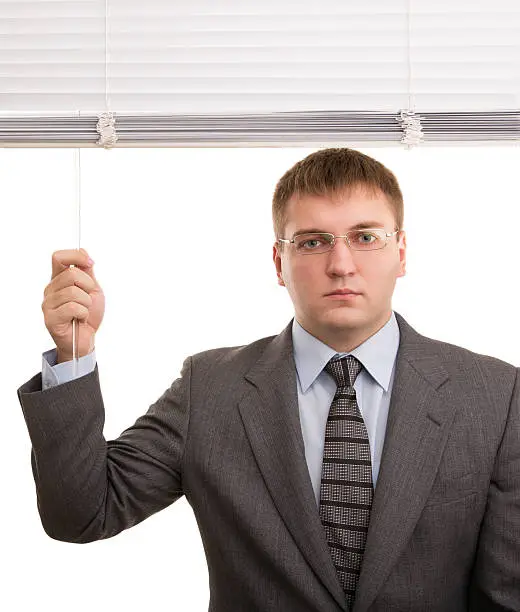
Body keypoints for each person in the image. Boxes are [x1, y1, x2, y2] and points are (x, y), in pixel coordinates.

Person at [17, 148, 520, 612]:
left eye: (365, 237)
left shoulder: (496, 397)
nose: (341, 265)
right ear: (280, 262)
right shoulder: (209, 389)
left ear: (402, 252)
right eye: (313, 242)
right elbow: (81, 513)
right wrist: (73, 350)